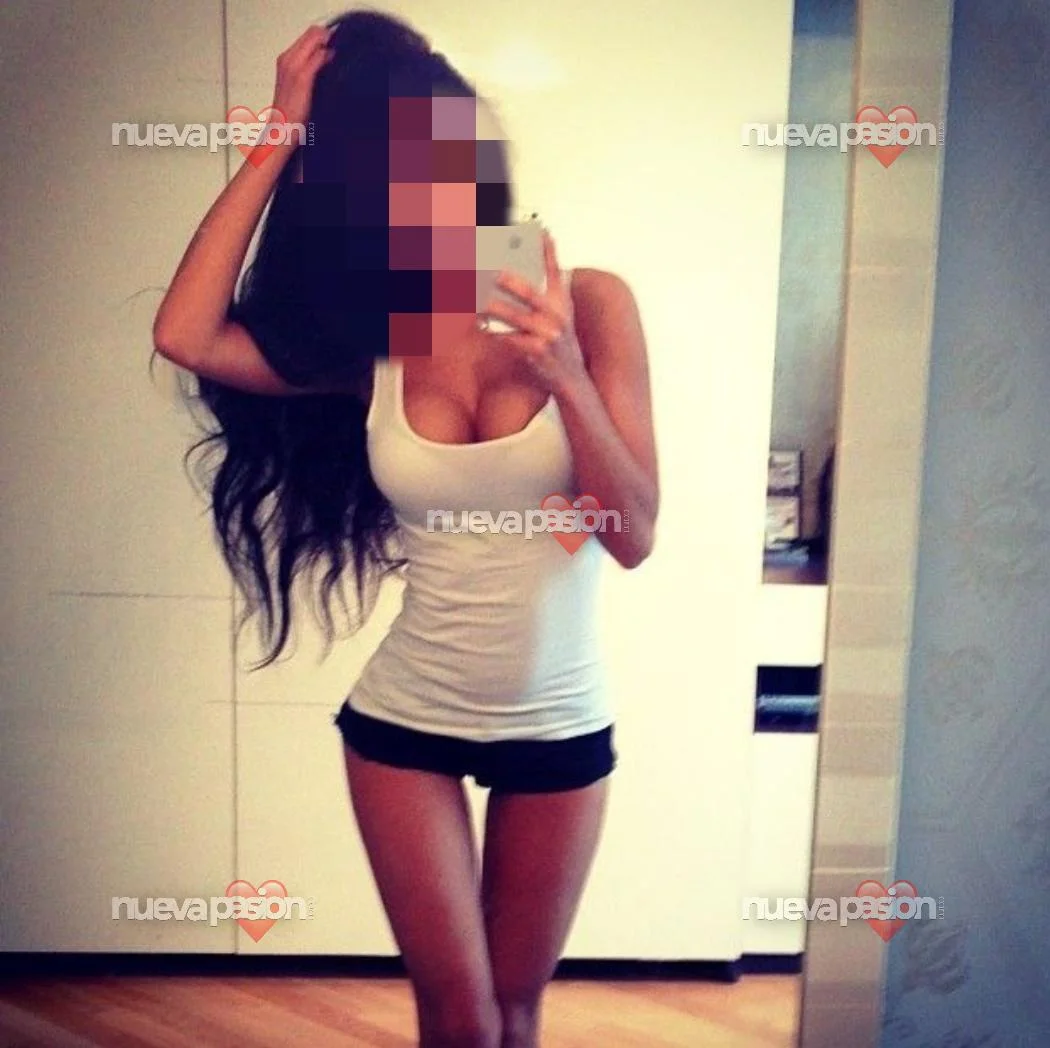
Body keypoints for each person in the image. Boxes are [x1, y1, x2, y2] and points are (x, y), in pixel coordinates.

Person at [152, 10, 659, 1048]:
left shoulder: (590, 301)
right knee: (460, 1018)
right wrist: (278, 130)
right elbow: (186, 333)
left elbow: (631, 532)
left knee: (514, 1014)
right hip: (405, 724)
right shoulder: (372, 339)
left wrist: (566, 375)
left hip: (560, 718)